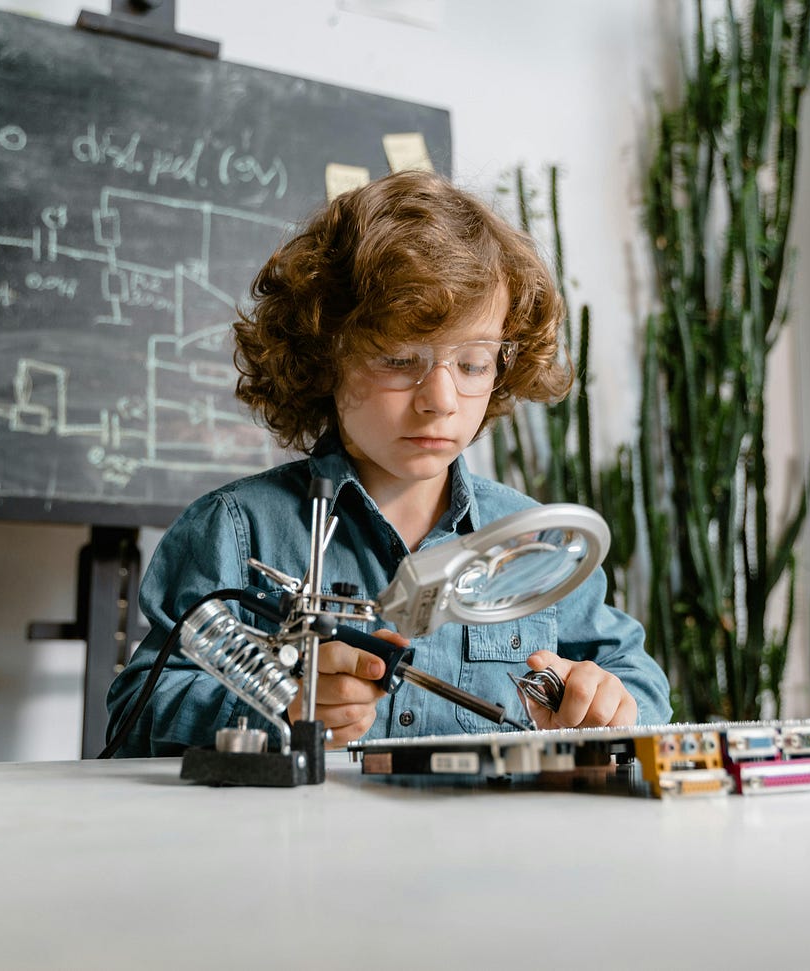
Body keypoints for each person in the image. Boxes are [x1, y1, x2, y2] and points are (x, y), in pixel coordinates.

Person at [105, 170, 671, 756]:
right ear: (326, 358)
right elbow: (134, 718)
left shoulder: (536, 543)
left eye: (475, 363)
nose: (441, 400)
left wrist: (608, 704)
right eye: (400, 359)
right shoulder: (236, 531)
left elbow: (639, 685)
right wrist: (272, 707)